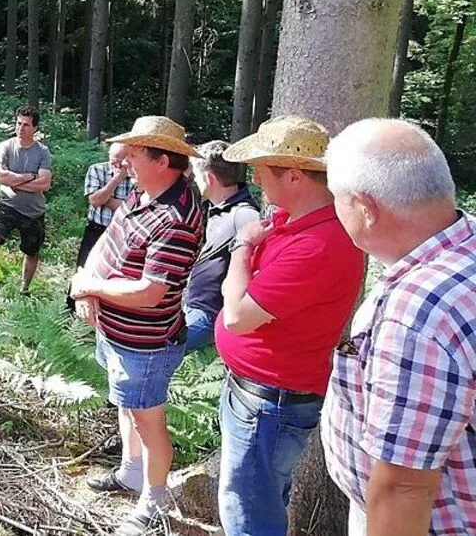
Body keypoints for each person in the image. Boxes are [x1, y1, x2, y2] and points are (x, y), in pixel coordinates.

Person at [321, 119, 476, 536]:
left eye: (336, 197)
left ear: (366, 209)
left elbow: (405, 487)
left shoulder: (419, 313)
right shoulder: (466, 245)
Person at [215, 115, 365, 536]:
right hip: (259, 396)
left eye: (262, 171)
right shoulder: (291, 224)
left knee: (248, 513)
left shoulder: (318, 244)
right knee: (253, 499)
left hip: (269, 404)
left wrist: (242, 250)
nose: (257, 180)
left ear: (296, 176)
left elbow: (238, 316)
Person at [68, 116, 204, 536]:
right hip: (117, 330)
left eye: (134, 153)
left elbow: (151, 292)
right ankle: (131, 472)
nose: (124, 160)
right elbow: (107, 243)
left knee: (149, 420)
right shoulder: (144, 193)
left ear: (162, 160)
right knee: (128, 405)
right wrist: (88, 288)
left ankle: (155, 498)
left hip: (145, 342)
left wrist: (90, 287)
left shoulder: (177, 217)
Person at [182, 140, 260, 353]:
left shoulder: (244, 214)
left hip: (209, 313)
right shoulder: (216, 208)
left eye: (196, 176)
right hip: (193, 304)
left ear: (209, 177)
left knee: (161, 350)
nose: (195, 181)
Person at [0, 106, 52, 293]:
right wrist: (29, 176)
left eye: (26, 125)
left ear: (35, 128)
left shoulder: (42, 152)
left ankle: (24, 289)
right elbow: (1, 177)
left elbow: (44, 184)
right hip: (8, 206)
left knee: (31, 252)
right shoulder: (5, 147)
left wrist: (16, 183)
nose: (21, 128)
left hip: (34, 211)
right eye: (19, 123)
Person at [77, 143, 132, 267]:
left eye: (121, 163)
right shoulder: (96, 169)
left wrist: (106, 198)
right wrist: (116, 180)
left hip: (123, 234)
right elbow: (95, 201)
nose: (117, 166)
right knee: (84, 267)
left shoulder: (136, 175)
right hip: (97, 229)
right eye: (114, 162)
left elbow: (134, 208)